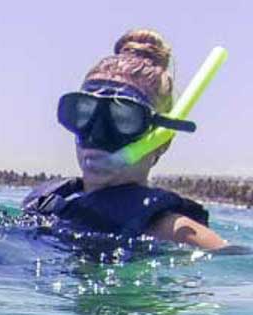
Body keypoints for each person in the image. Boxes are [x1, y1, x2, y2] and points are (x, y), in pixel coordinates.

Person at [23, 29, 232, 251]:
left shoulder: (174, 232)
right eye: (84, 114)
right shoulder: (49, 203)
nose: (97, 135)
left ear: (161, 142)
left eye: (123, 120)